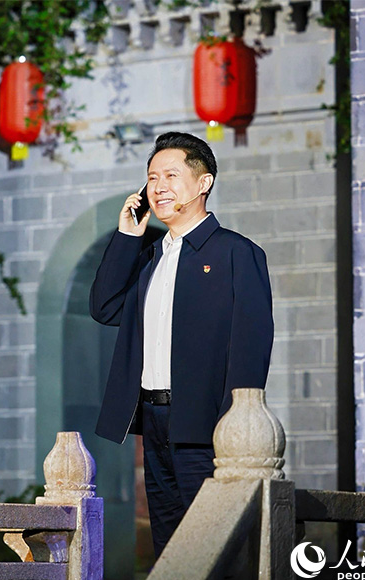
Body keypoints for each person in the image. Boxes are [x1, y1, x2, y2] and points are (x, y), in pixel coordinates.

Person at [89, 131, 274, 558]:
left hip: (207, 426)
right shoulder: (150, 258)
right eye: (152, 178)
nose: (158, 187)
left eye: (171, 175)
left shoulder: (236, 253)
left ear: (203, 182)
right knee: (169, 548)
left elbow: (251, 346)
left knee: (213, 547)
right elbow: (104, 307)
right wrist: (127, 237)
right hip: (154, 421)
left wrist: (233, 426)